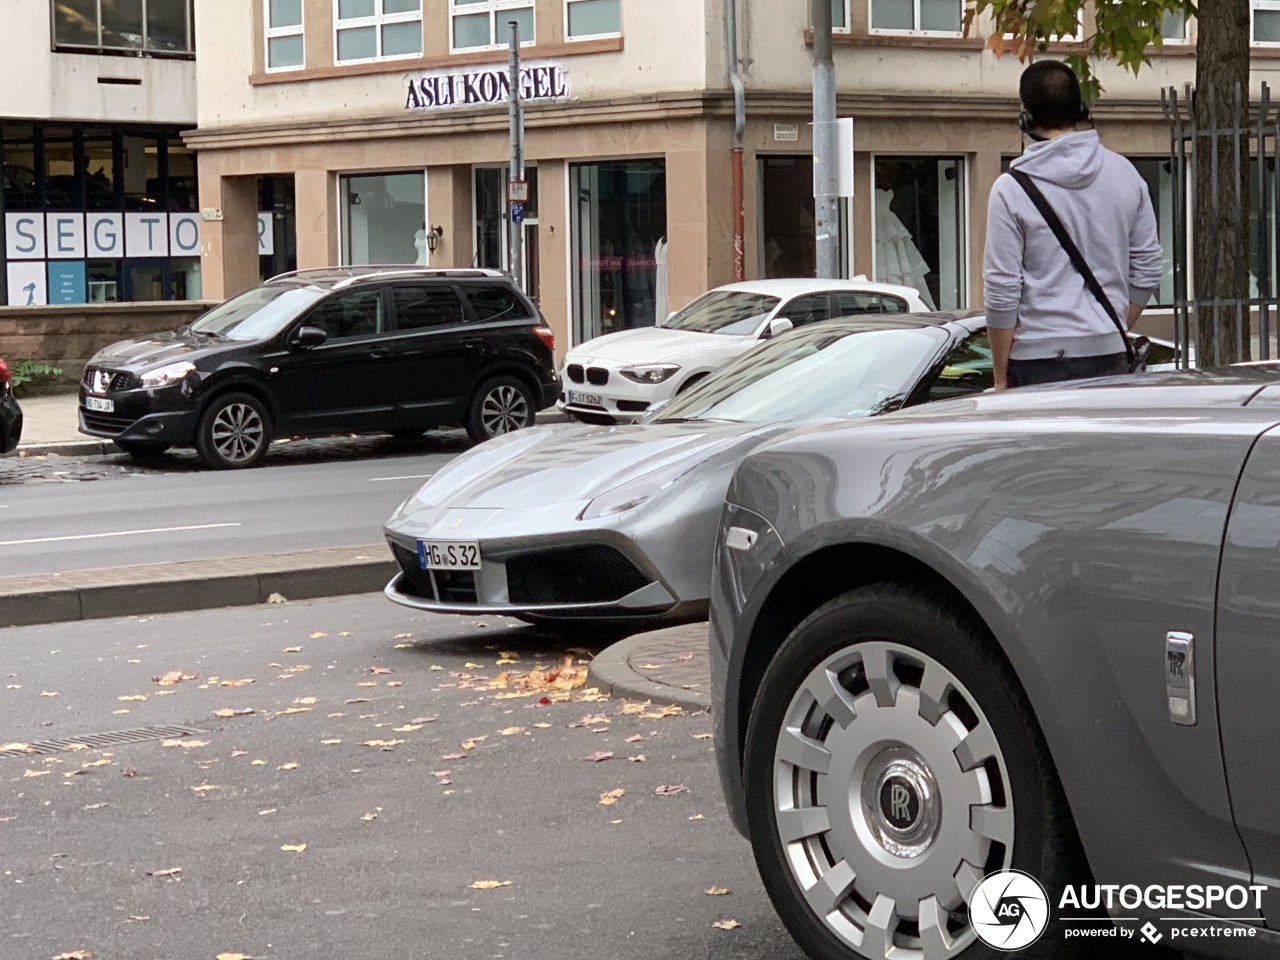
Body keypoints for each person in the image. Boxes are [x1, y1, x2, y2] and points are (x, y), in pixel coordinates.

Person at [984, 60, 1163, 389]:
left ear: (1025, 117)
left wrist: (1000, 376)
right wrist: (1111, 326)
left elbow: (1002, 293)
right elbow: (1149, 269)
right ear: (1080, 108)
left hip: (1036, 362)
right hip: (1109, 356)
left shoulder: (1010, 190)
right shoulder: (1126, 175)